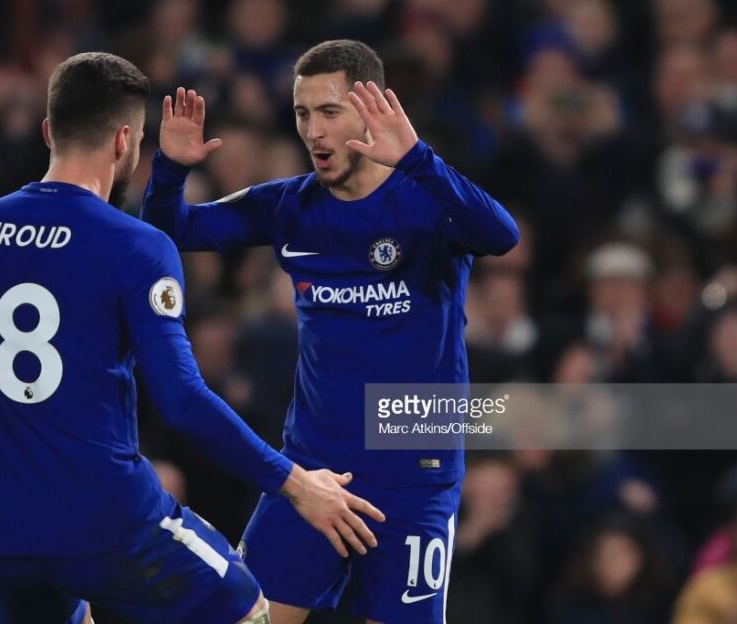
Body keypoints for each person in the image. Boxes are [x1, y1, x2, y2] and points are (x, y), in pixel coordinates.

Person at [0, 51, 384, 624]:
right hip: (105, 518)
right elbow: (181, 399)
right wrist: (294, 483)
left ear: (48, 131)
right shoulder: (133, 245)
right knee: (248, 609)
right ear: (125, 142)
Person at [142, 39, 519, 623]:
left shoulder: (427, 198)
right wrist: (169, 171)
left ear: (370, 110)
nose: (313, 131)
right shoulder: (289, 205)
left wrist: (418, 158)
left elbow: (502, 236)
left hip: (413, 479)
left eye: (328, 111)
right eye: (302, 113)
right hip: (312, 475)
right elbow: (173, 233)